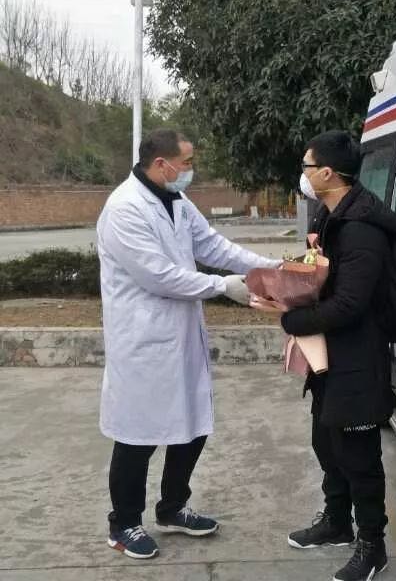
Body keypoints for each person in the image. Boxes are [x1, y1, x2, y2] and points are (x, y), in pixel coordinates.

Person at [96, 128, 280, 560]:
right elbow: (158, 276)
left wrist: (272, 268)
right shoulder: (124, 208)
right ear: (162, 164)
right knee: (138, 435)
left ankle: (173, 507)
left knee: (192, 424)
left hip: (181, 334)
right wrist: (223, 286)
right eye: (188, 162)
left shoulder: (175, 199)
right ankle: (124, 523)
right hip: (143, 341)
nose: (191, 170)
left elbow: (214, 246)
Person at [252, 130, 396, 581]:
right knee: (326, 439)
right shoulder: (330, 214)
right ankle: (337, 521)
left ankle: (372, 545)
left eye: (306, 166)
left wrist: (289, 317)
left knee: (359, 456)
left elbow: (349, 304)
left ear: (326, 173)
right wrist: (290, 283)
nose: (301, 174)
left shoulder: (362, 229)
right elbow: (322, 277)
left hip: (358, 356)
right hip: (329, 355)